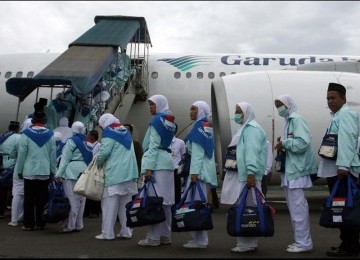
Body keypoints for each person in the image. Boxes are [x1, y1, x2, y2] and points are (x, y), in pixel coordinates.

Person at [317, 83, 360, 257]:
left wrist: (343, 166)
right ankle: (349, 243)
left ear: (343, 98)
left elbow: (347, 140)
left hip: (342, 172)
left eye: (333, 97)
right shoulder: (337, 116)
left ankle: (349, 246)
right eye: (328, 98)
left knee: (345, 208)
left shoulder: (347, 114)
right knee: (343, 208)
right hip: (336, 170)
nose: (330, 101)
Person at [220, 102, 267, 253]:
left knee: (248, 208)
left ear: (247, 113)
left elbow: (252, 153)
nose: (236, 114)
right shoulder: (245, 129)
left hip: (248, 176)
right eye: (236, 111)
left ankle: (247, 243)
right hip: (245, 175)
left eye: (239, 111)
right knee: (247, 207)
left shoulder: (252, 130)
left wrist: (251, 173)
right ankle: (248, 242)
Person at [274, 94, 317, 253]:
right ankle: (300, 241)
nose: (279, 108)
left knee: (298, 209)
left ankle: (304, 243)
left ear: (288, 105)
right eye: (277, 105)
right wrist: (284, 142)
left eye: (281, 104)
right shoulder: (287, 122)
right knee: (295, 209)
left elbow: (303, 142)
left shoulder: (296, 120)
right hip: (290, 171)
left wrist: (284, 143)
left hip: (297, 172)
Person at [137, 94, 176, 247]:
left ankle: (153, 238)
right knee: (166, 202)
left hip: (157, 163)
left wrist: (148, 168)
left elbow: (153, 146)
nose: (150, 107)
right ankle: (165, 236)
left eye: (152, 104)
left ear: (159, 105)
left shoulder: (156, 121)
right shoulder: (169, 121)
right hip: (167, 162)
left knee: (154, 202)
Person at [94, 113, 139, 240]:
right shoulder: (125, 132)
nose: (102, 129)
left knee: (109, 205)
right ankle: (126, 231)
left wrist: (97, 163)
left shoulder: (109, 133)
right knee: (125, 205)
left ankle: (107, 233)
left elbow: (104, 152)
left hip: (115, 173)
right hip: (129, 174)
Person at [182, 100, 218, 249]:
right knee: (196, 205)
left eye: (194, 109)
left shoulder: (198, 126)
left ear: (201, 111)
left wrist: (194, 173)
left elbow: (197, 152)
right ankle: (197, 237)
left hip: (198, 172)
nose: (190, 112)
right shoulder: (206, 126)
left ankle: (201, 240)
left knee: (196, 205)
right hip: (203, 171)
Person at [16, 110, 57, 231]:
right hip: (44, 171)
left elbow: (22, 154)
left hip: (29, 171)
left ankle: (28, 224)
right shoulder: (50, 134)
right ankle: (40, 222)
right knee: (41, 199)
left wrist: (19, 170)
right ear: (44, 121)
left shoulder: (26, 134)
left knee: (29, 200)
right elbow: (52, 154)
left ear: (33, 121)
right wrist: (52, 170)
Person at [55, 121, 93, 233]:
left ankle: (70, 225)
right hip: (84, 171)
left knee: (71, 198)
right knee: (82, 199)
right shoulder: (87, 142)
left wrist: (59, 174)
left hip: (71, 171)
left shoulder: (71, 141)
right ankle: (78, 224)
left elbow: (65, 159)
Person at [0, 121, 21, 220]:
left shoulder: (3, 136)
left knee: (2, 189)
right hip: (12, 164)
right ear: (17, 128)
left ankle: (1, 210)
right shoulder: (18, 137)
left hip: (2, 163)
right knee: (14, 188)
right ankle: (14, 209)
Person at [83, 129, 101, 218]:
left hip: (95, 169)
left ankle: (95, 211)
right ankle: (86, 211)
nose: (87, 136)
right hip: (88, 168)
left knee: (94, 190)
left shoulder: (98, 146)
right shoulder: (87, 145)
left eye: (88, 135)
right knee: (87, 189)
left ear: (93, 137)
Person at [170, 123, 186, 204]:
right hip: (166, 170)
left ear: (175, 130)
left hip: (176, 171)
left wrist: (181, 171)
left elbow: (183, 157)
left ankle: (176, 209)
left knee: (176, 192)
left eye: (173, 128)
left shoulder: (180, 142)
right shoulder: (162, 141)